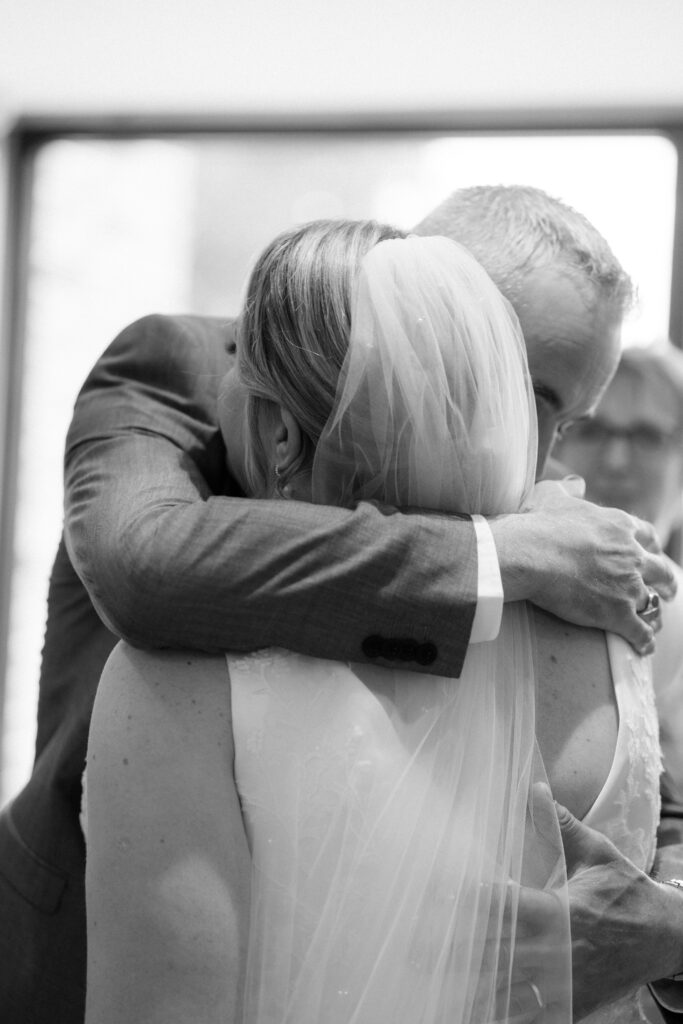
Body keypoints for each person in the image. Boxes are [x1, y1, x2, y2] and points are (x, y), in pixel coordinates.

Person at [0, 186, 676, 1024]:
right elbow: (145, 563)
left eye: (565, 420)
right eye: (529, 391)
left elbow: (653, 805)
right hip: (86, 924)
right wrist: (497, 555)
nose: (532, 450)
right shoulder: (187, 368)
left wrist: (667, 922)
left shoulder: (575, 589)